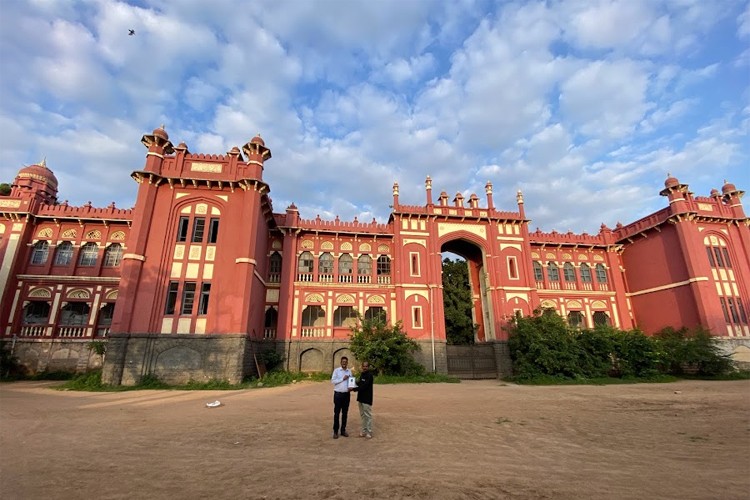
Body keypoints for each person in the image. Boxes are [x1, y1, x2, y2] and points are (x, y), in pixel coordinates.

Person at [351, 361, 374, 439]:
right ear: (362, 367)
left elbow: (364, 386)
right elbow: (360, 383)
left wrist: (353, 389)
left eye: (366, 366)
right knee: (363, 415)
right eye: (363, 366)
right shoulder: (362, 374)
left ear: (368, 367)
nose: (365, 367)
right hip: (360, 398)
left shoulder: (370, 376)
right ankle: (364, 431)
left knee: (368, 415)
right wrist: (352, 381)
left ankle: (369, 432)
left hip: (367, 399)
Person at [330, 356, 352, 439]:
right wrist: (342, 379)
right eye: (343, 361)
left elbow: (351, 381)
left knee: (345, 413)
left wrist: (351, 387)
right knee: (337, 413)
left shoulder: (349, 371)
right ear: (340, 362)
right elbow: (333, 381)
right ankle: (335, 431)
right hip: (338, 395)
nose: (344, 363)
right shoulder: (336, 371)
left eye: (345, 362)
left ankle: (343, 430)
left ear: (347, 362)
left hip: (346, 395)